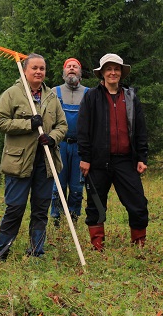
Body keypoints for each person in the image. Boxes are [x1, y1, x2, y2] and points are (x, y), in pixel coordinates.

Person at [0, 53, 67, 259]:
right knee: (15, 207)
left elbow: (62, 125)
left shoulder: (51, 96)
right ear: (25, 70)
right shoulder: (12, 94)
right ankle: (2, 251)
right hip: (19, 161)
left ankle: (36, 251)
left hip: (45, 161)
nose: (38, 72)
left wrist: (52, 138)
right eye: (34, 68)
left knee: (41, 208)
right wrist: (28, 124)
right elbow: (0, 122)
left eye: (42, 68)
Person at [77, 53, 149, 251]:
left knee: (138, 203)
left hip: (125, 160)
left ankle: (138, 245)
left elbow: (141, 130)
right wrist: (85, 157)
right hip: (97, 162)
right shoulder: (91, 96)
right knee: (96, 205)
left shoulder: (131, 97)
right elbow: (83, 129)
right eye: (108, 69)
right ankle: (97, 245)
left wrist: (142, 156)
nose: (113, 73)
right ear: (102, 73)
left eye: (116, 69)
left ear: (121, 73)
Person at [50, 57, 89, 227]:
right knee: (57, 185)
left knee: (76, 186)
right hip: (60, 146)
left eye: (75, 67)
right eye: (68, 67)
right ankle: (57, 220)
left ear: (80, 73)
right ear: (64, 72)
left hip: (80, 147)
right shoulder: (53, 92)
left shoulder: (89, 94)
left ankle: (73, 218)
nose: (72, 69)